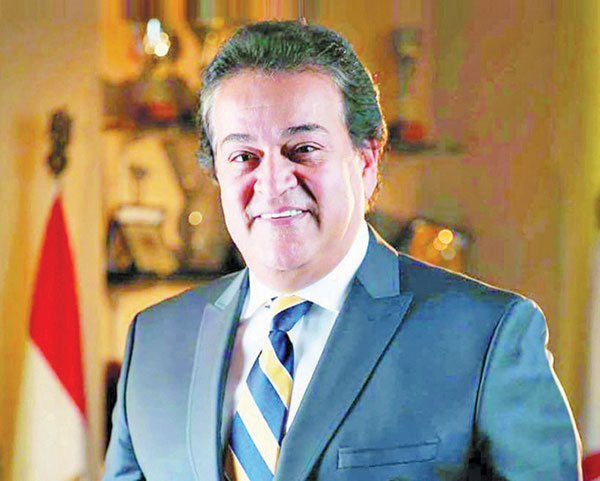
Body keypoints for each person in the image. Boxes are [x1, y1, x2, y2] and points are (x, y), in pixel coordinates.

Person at [103, 20, 582, 481]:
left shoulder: (486, 336)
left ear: (367, 160)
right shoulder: (154, 340)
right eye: (244, 156)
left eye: (303, 149)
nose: (273, 182)